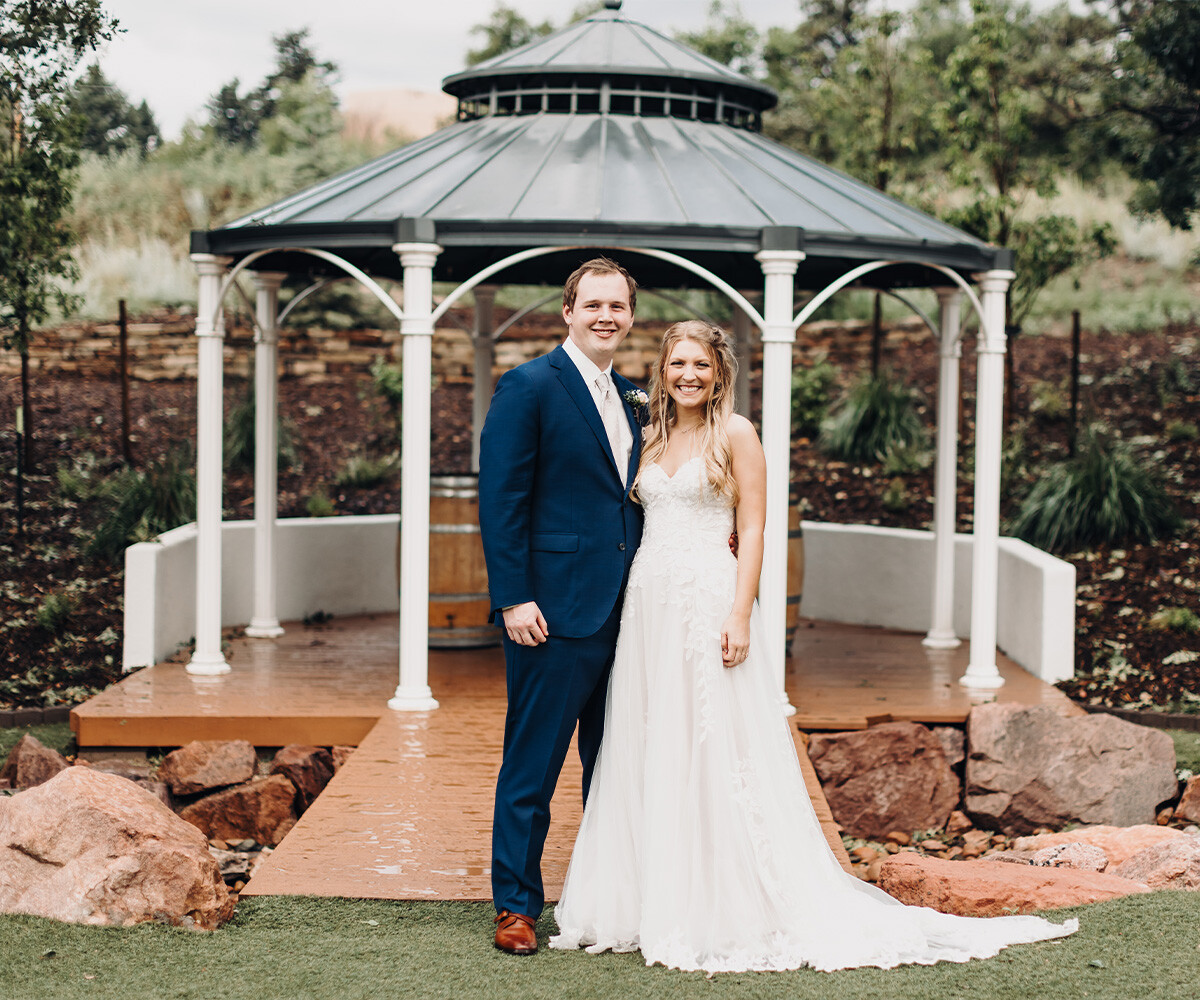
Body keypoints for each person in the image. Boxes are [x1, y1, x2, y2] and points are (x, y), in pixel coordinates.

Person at [549, 320, 1078, 973]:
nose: (689, 375)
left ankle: (727, 898)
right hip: (648, 607)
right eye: (678, 364)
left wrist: (741, 614)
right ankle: (646, 894)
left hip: (712, 600)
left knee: (717, 744)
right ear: (662, 370)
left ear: (719, 373)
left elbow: (755, 526)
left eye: (701, 366)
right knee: (651, 739)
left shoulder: (736, 434)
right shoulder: (650, 437)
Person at [478, 257, 645, 956]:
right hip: (551, 613)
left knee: (617, 766)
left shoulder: (638, 395)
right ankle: (516, 905)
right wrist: (513, 596)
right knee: (533, 765)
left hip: (631, 615)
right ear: (568, 312)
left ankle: (609, 900)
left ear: (630, 316)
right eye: (594, 305)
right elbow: (501, 499)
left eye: (619, 306)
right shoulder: (529, 387)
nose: (607, 316)